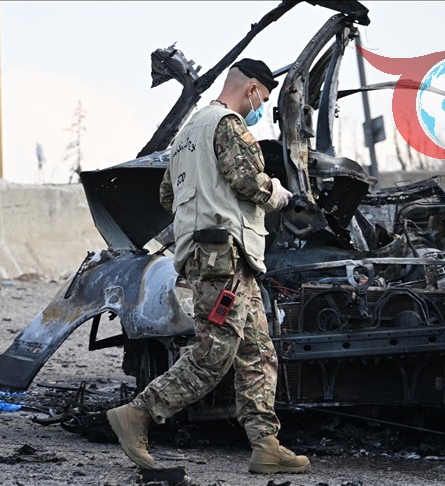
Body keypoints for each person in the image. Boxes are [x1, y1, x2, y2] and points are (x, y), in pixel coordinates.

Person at [107, 59, 310, 475]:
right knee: (214, 352)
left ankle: (265, 445)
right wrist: (282, 196)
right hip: (222, 259)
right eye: (262, 99)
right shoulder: (228, 124)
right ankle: (138, 413)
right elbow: (249, 181)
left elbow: (167, 194)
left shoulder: (188, 133)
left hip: (222, 257)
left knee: (257, 351)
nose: (260, 107)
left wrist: (206, 206)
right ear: (251, 90)